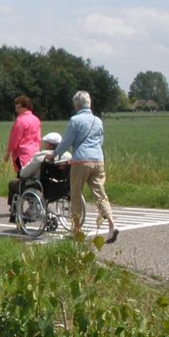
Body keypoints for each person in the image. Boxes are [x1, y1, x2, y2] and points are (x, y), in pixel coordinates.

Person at [46, 91, 119, 243]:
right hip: (98, 160)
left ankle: (77, 230)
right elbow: (100, 140)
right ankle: (112, 223)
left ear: (76, 105)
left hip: (81, 160)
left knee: (76, 193)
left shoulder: (75, 120)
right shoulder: (98, 121)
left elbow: (66, 141)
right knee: (100, 193)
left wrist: (55, 153)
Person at [6, 132, 71, 222]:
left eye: (45, 142)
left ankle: (15, 212)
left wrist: (21, 173)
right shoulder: (68, 155)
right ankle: (31, 209)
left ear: (49, 145)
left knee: (13, 184)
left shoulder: (41, 156)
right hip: (61, 188)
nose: (44, 144)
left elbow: (24, 173)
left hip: (41, 187)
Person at [4, 95, 42, 175]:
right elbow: (38, 138)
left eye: (18, 107)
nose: (16, 110)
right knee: (33, 176)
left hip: (22, 155)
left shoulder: (20, 120)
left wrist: (8, 151)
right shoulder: (36, 119)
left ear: (25, 107)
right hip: (35, 152)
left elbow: (14, 138)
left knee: (21, 175)